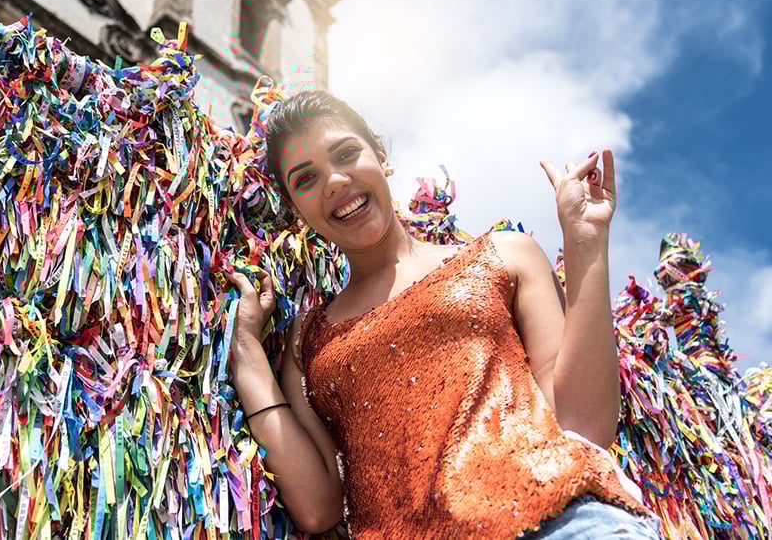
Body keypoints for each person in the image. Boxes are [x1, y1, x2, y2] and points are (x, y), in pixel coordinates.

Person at [224, 90, 663, 539]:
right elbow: (317, 508)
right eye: (305, 179)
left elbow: (583, 424)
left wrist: (585, 241)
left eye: (346, 153)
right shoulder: (308, 340)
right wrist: (247, 354)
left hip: (566, 524)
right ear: (295, 208)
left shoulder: (506, 255)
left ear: (381, 156)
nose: (334, 181)